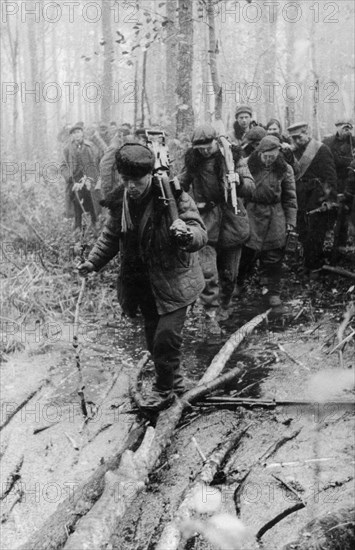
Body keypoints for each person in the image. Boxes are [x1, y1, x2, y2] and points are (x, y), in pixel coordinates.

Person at [78, 143, 207, 411]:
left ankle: (162, 390)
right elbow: (112, 236)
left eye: (136, 181)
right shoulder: (122, 200)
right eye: (126, 180)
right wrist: (93, 262)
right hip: (143, 282)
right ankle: (177, 380)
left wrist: (187, 234)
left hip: (176, 279)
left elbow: (199, 230)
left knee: (166, 337)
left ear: (149, 175)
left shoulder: (173, 195)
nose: (131, 187)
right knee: (153, 338)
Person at [179, 124, 255, 337]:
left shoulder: (232, 157)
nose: (204, 151)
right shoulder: (193, 162)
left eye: (207, 146)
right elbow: (180, 185)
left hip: (233, 221)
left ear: (215, 142)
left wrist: (238, 181)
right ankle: (210, 315)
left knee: (229, 275)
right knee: (207, 273)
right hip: (206, 223)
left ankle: (225, 306)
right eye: (199, 147)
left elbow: (251, 186)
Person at [239, 136, 297, 307]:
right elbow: (239, 192)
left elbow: (290, 198)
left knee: (274, 255)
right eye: (266, 156)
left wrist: (291, 222)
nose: (269, 159)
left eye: (273, 156)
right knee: (245, 252)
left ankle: (272, 290)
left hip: (275, 213)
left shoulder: (285, 169)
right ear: (260, 152)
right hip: (251, 211)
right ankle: (237, 284)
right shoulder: (246, 164)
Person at [287, 121, 337, 276]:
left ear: (307, 132)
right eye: (293, 138)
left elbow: (330, 177)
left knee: (316, 234)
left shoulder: (321, 149)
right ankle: (307, 264)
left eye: (299, 137)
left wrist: (328, 199)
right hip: (300, 198)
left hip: (317, 198)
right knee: (302, 233)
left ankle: (314, 266)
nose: (296, 141)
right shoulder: (293, 152)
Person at [60, 123, 102, 230]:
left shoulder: (90, 146)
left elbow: (98, 159)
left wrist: (97, 174)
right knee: (76, 200)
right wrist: (68, 176)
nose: (76, 135)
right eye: (74, 133)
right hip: (75, 178)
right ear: (71, 136)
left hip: (90, 177)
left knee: (91, 198)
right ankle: (77, 223)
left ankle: (95, 220)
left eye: (78, 132)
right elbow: (63, 165)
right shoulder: (67, 149)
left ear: (82, 133)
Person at [323, 120, 355, 246]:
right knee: (331, 211)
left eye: (349, 128)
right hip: (333, 181)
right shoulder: (328, 142)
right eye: (344, 127)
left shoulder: (353, 141)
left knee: (346, 213)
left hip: (349, 182)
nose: (346, 130)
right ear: (337, 127)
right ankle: (329, 239)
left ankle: (342, 242)